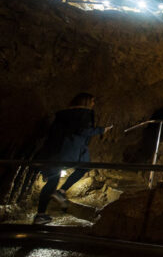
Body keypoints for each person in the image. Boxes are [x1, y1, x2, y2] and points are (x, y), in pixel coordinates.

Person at [33, 93, 112, 225]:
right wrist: (101, 130)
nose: (93, 104)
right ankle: (61, 191)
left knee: (52, 180)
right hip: (72, 150)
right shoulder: (84, 113)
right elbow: (83, 131)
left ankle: (40, 215)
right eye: (92, 102)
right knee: (83, 168)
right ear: (86, 102)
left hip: (54, 151)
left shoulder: (63, 114)